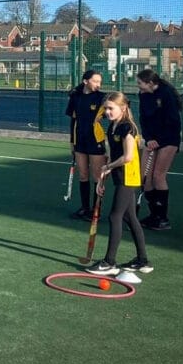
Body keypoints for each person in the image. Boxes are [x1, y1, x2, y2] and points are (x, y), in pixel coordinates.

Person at [85, 92, 153, 276]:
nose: (107, 112)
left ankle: (109, 262)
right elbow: (113, 154)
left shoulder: (127, 128)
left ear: (123, 108)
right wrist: (104, 175)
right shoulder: (113, 127)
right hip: (118, 175)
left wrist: (108, 166)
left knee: (115, 217)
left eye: (110, 108)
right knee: (130, 218)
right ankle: (142, 260)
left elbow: (128, 157)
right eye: (105, 108)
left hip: (128, 177)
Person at [135, 69, 183, 231]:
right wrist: (148, 139)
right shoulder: (143, 95)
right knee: (145, 177)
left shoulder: (166, 94)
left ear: (150, 83)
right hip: (152, 140)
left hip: (168, 139)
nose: (138, 86)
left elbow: (173, 121)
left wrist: (159, 140)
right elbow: (143, 118)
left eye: (140, 83)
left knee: (158, 176)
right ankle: (154, 214)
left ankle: (162, 218)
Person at [65, 70, 107, 220]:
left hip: (95, 140)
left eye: (100, 82)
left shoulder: (102, 98)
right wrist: (71, 142)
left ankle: (96, 210)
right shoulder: (75, 97)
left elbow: (121, 105)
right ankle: (85, 208)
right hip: (79, 140)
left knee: (97, 176)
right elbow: (73, 121)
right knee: (83, 175)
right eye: (95, 81)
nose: (98, 84)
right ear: (85, 81)